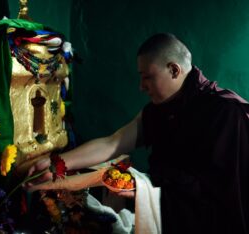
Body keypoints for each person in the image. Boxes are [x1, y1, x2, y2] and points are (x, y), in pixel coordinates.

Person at [26, 33, 249, 234]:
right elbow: (112, 144)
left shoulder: (225, 111)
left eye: (147, 77)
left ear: (174, 70)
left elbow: (223, 195)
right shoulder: (158, 111)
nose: (141, 86)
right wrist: (55, 163)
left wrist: (145, 191)